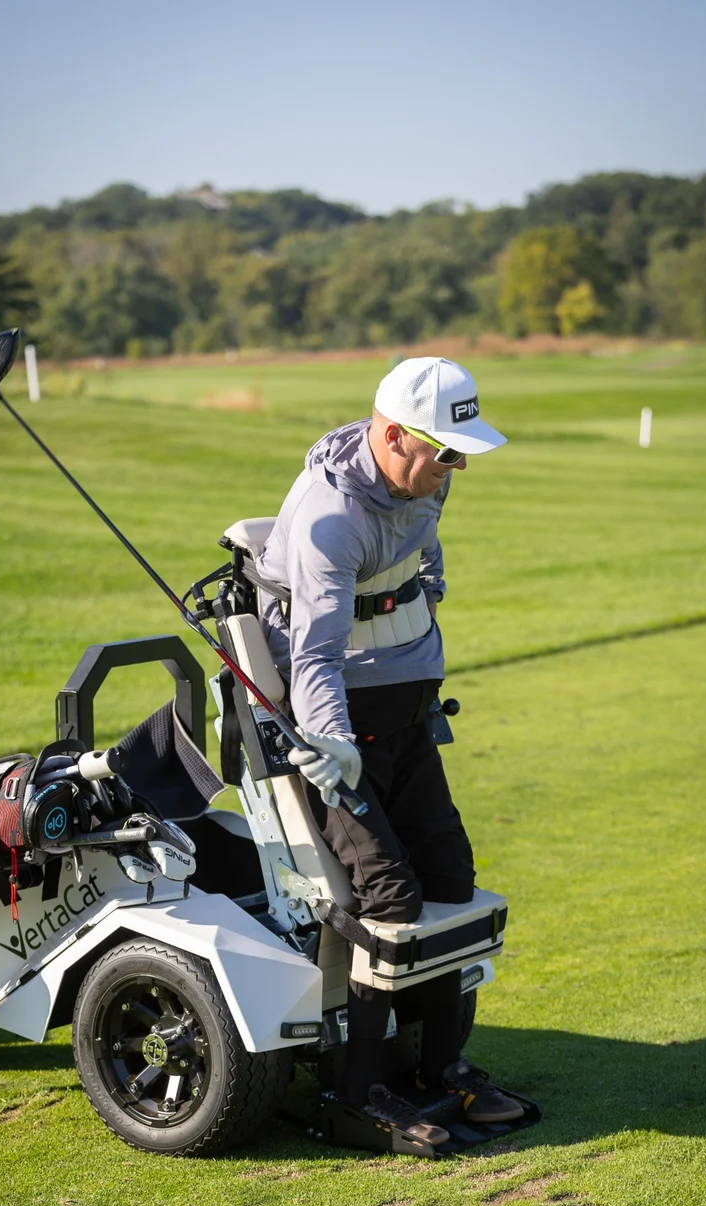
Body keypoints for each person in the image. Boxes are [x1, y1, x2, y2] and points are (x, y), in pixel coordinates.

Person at [256, 356, 524, 1146]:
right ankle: (357, 1090)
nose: (459, 466)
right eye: (445, 449)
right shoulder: (329, 520)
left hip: (408, 723)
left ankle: (439, 1070)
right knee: (391, 897)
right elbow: (313, 660)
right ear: (394, 435)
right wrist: (333, 746)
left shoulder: (426, 482)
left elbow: (422, 561)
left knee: (450, 877)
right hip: (339, 738)